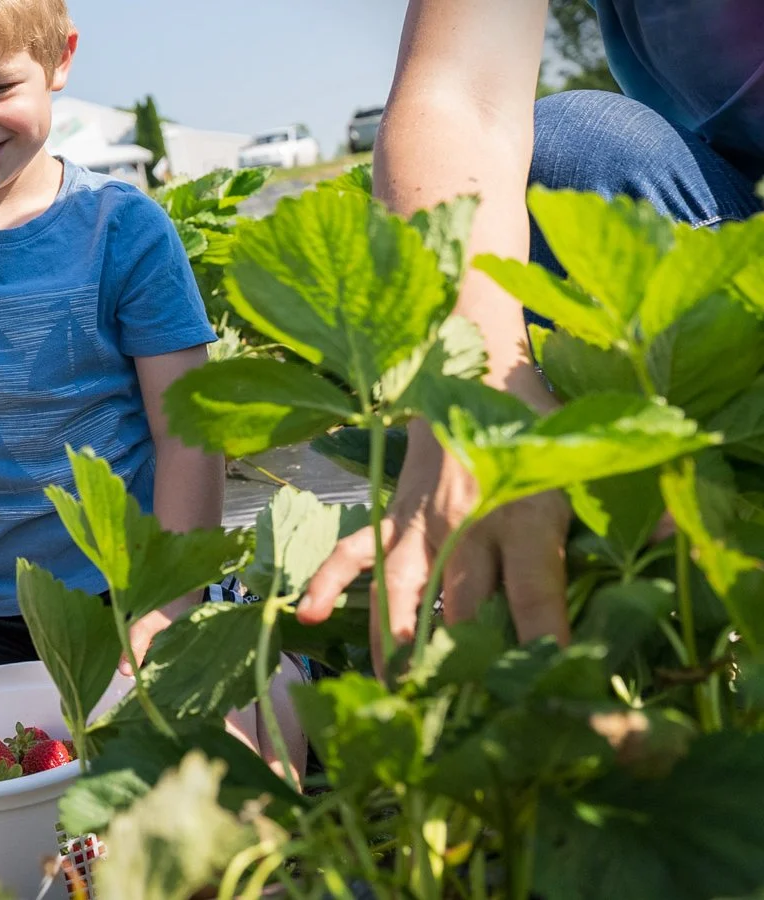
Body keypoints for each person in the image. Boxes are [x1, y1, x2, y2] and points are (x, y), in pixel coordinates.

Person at [0, 0, 307, 830]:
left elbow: (185, 429)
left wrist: (171, 602)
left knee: (246, 790)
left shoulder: (123, 232)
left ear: (60, 60)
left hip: (139, 593)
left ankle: (280, 671)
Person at [296, 0, 764, 665]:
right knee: (575, 152)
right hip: (731, 238)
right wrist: (475, 403)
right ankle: (636, 606)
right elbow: (460, 96)